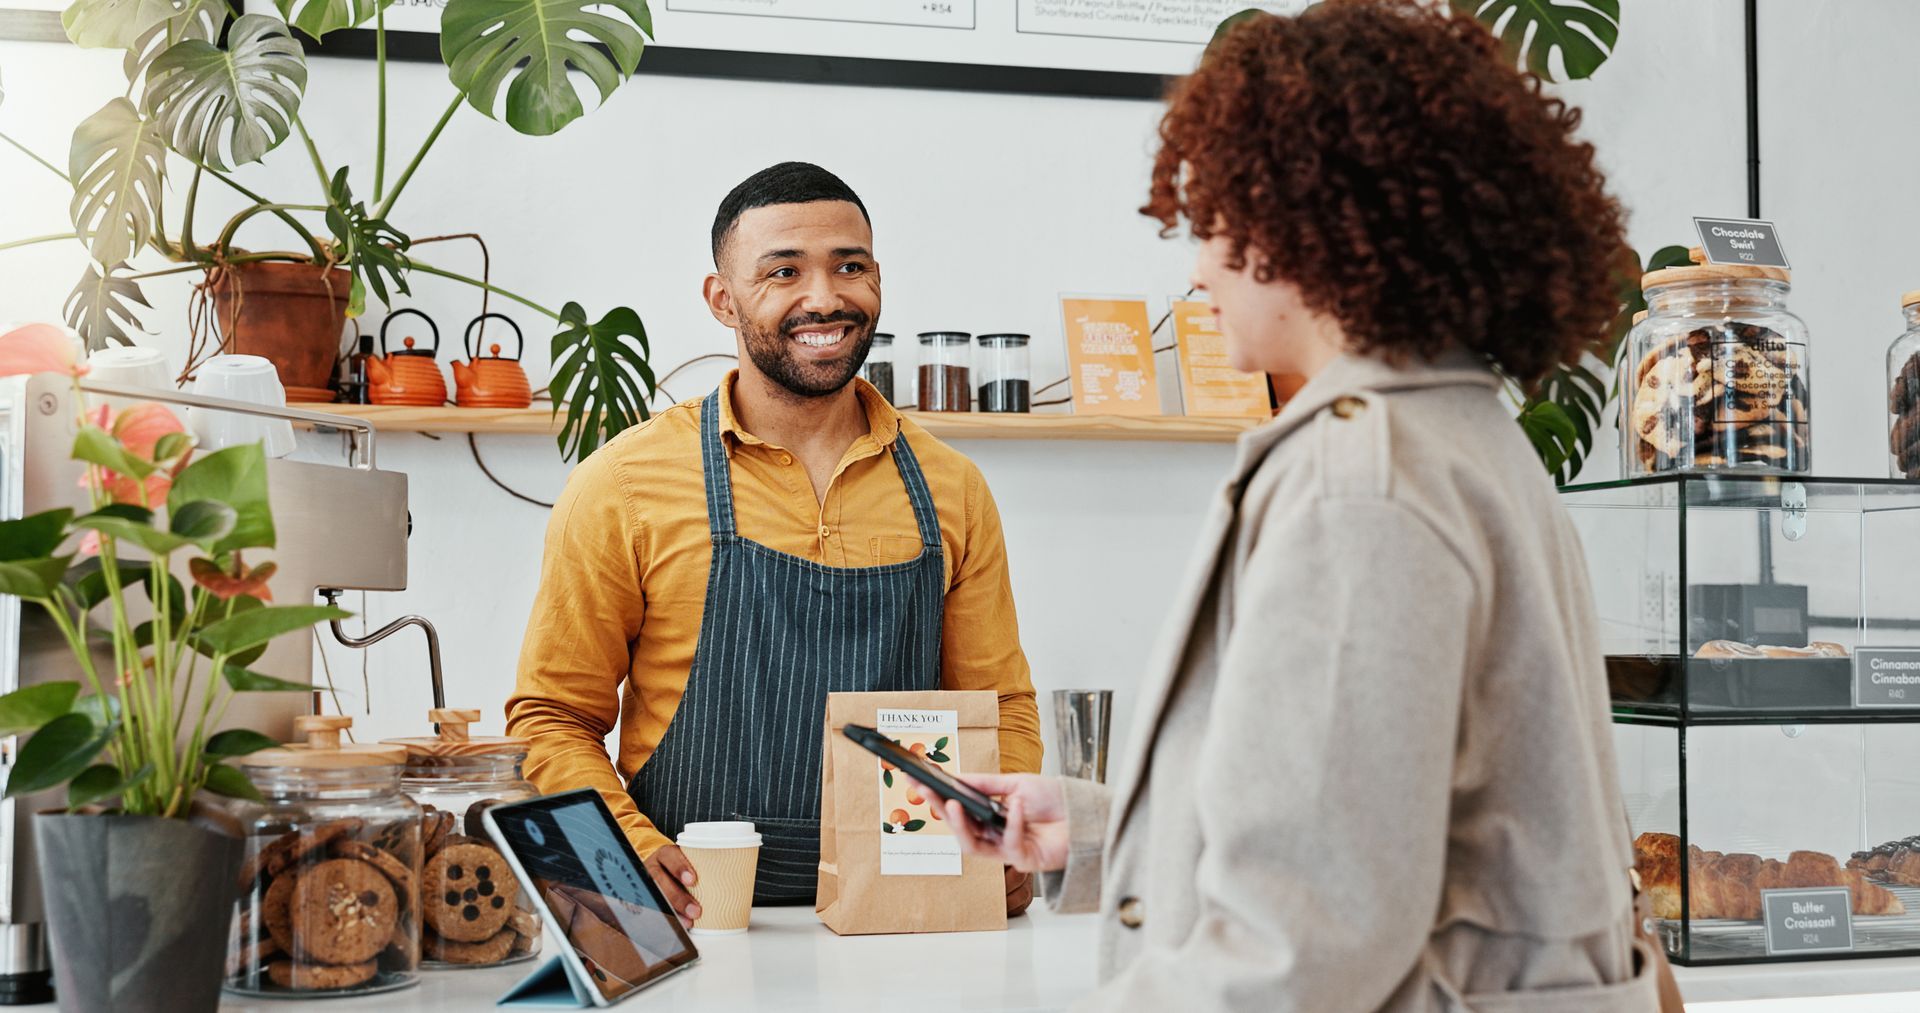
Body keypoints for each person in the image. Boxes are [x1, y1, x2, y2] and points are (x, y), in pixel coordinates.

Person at [931, 3, 1659, 1009]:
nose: (1197, 269)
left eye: (1216, 223)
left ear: (1304, 217)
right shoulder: (1464, 434)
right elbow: (1384, 821)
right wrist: (1097, 830)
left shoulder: (1360, 477)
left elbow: (1299, 951)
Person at [509, 162, 1042, 924]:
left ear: (878, 281)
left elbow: (1001, 708)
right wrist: (621, 847)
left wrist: (1001, 837)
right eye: (783, 271)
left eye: (848, 267)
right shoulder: (624, 484)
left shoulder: (951, 488)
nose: (824, 297)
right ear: (722, 299)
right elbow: (552, 716)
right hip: (698, 920)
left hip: (902, 922)